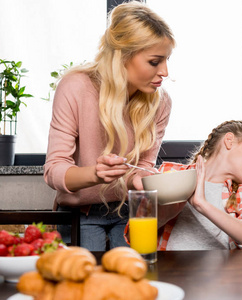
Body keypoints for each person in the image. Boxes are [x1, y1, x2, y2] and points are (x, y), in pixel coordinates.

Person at [43, 1, 175, 251]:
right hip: (80, 214)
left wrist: (153, 179)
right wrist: (96, 174)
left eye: (167, 60)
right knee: (87, 283)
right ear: (123, 56)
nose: (165, 71)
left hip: (131, 211)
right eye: (155, 61)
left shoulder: (160, 103)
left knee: (136, 279)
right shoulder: (75, 87)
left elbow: (143, 168)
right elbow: (54, 170)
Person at [125, 120, 242, 250]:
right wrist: (165, 214)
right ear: (229, 141)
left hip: (221, 276)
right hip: (167, 273)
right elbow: (133, 237)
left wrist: (202, 205)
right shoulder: (169, 174)